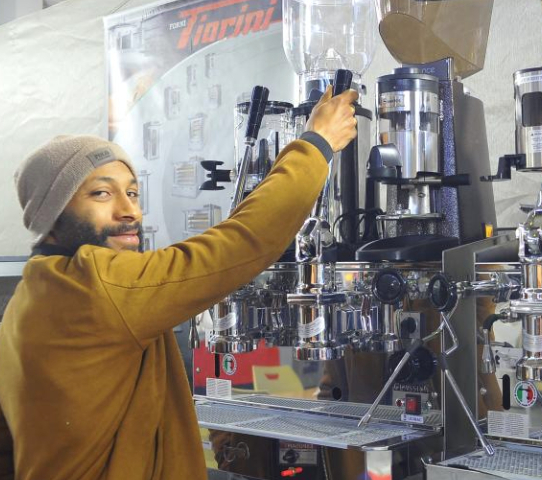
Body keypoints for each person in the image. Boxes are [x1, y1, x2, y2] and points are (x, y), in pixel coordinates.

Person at [0, 85, 359, 480]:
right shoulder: (96, 284)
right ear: (52, 214)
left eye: (133, 192)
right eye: (101, 193)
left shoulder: (29, 295)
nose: (129, 210)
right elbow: (241, 243)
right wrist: (316, 145)